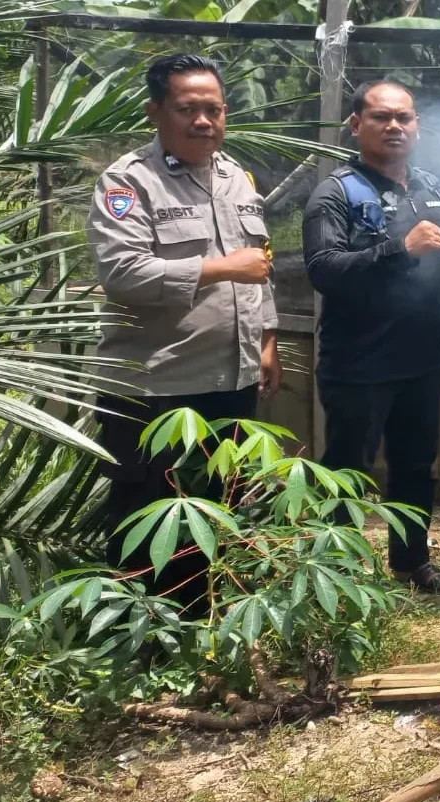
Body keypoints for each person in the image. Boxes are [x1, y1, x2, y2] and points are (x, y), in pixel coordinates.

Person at [87, 53, 281, 600]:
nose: (204, 121)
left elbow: (260, 269)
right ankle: (140, 633)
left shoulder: (235, 178)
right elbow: (123, 274)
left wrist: (267, 341)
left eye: (214, 110)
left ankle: (204, 621)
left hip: (231, 381)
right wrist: (223, 268)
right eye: (188, 109)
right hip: (156, 389)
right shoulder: (128, 183)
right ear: (155, 112)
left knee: (218, 506)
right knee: (149, 515)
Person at [302, 79, 440, 595]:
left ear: (417, 126)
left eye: (404, 117)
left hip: (421, 363)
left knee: (415, 470)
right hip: (358, 366)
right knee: (347, 473)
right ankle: (334, 578)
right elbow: (323, 269)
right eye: (381, 117)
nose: (394, 127)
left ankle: (411, 563)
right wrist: (398, 248)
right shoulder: (335, 194)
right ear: (357, 125)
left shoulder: (432, 191)